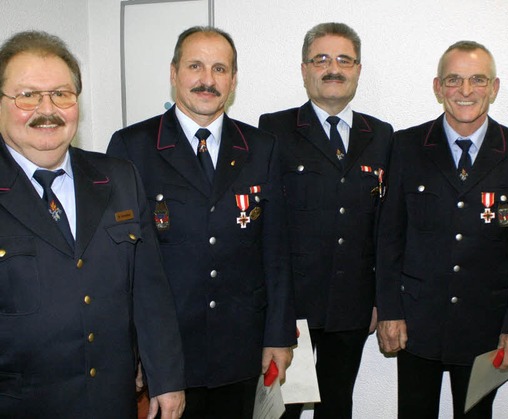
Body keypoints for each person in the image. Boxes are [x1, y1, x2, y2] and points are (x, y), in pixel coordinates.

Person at [107, 26, 296, 418]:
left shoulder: (261, 147)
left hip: (241, 348)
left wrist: (279, 335)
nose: (207, 80)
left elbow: (276, 251)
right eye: (195, 66)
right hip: (168, 351)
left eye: (220, 69)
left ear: (233, 79)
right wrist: (134, 350)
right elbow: (120, 264)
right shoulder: (132, 147)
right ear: (174, 72)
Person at [0, 31, 185, 418]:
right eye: (27, 95)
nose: (47, 109)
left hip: (111, 402)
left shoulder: (118, 177)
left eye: (62, 94)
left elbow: (150, 291)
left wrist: (166, 379)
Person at [376, 40, 508, 418]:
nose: (466, 91)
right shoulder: (405, 146)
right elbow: (389, 238)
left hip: (487, 327)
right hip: (416, 324)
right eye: (454, 80)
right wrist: (389, 310)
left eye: (478, 80)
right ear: (437, 87)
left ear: (494, 88)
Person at [259, 22, 393, 418]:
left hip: (352, 304)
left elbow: (385, 227)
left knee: (338, 406)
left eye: (344, 60)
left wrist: (380, 300)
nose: (333, 68)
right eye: (321, 59)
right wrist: (270, 306)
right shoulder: (274, 131)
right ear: (304, 70)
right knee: (283, 408)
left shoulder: (382, 135)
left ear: (357, 69)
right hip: (291, 307)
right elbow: (267, 225)